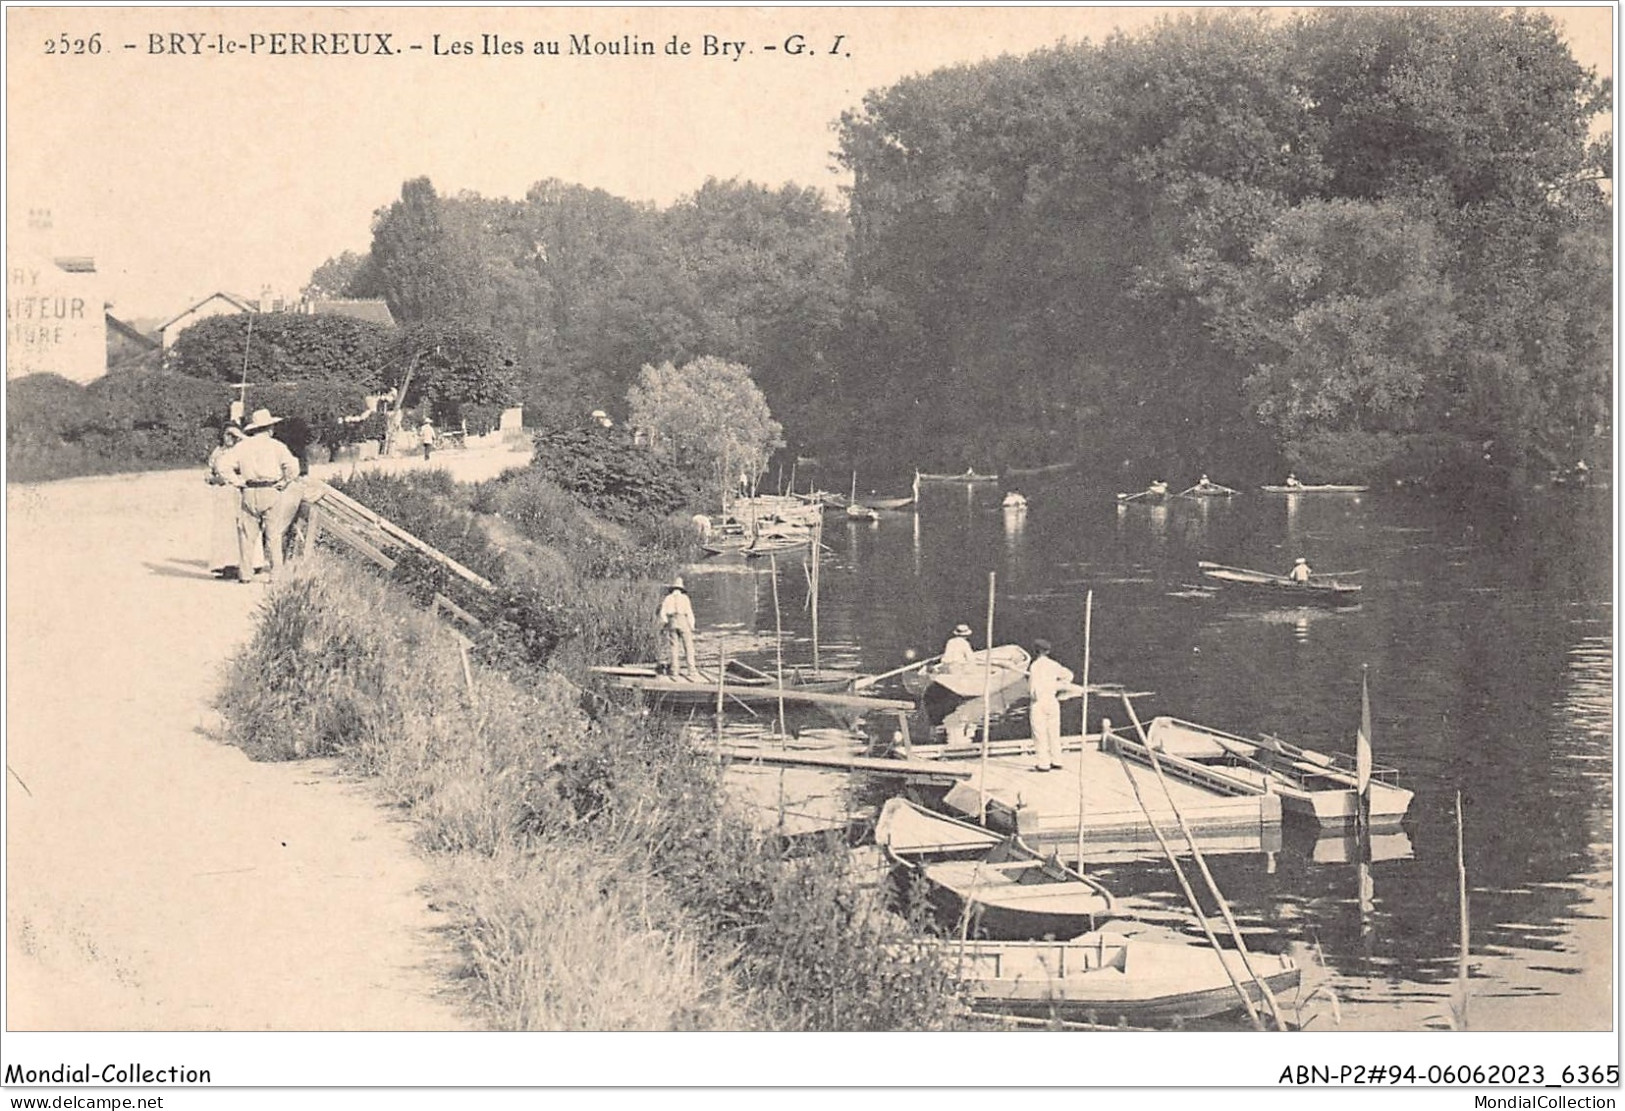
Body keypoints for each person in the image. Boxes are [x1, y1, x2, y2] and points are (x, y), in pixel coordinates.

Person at [225, 408, 302, 584]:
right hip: (271, 490)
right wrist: (284, 482)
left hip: (249, 491)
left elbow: (223, 465)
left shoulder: (243, 446)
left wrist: (237, 481)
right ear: (269, 429)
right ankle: (275, 574)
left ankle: (245, 574)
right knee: (273, 535)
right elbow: (293, 467)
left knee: (247, 535)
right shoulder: (277, 446)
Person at [206, 425, 265, 579]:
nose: (229, 438)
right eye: (227, 434)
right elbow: (210, 472)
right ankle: (227, 565)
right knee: (225, 530)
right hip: (223, 495)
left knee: (244, 525)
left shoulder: (244, 450)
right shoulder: (218, 452)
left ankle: (253, 563)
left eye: (233, 435)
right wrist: (213, 479)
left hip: (240, 492)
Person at [1026, 638, 1074, 772]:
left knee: (1039, 733)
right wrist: (1058, 685)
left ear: (1036, 651)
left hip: (1039, 702)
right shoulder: (1054, 665)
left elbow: (1031, 689)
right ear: (1048, 651)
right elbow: (1069, 675)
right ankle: (1057, 760)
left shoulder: (1035, 666)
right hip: (1052, 701)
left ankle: (1043, 764)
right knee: (1054, 732)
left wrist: (1033, 695)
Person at [658, 577, 699, 679]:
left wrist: (666, 622)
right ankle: (691, 670)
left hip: (672, 621)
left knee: (674, 647)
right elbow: (689, 613)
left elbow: (662, 613)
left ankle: (674, 670)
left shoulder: (668, 598)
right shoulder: (685, 598)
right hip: (683, 620)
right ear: (681, 589)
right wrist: (692, 625)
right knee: (688, 646)